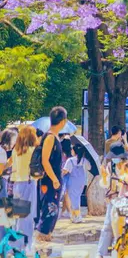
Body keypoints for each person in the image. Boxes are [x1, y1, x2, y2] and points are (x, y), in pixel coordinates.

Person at [36, 106, 67, 242]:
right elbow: (45, 160)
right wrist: (54, 179)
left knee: (53, 210)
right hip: (49, 181)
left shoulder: (54, 137)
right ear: (63, 121)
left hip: (53, 180)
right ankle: (42, 237)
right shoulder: (49, 137)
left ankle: (46, 236)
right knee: (49, 209)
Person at [9, 126, 37, 255]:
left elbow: (11, 165)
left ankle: (16, 244)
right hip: (29, 182)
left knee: (19, 216)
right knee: (29, 217)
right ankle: (27, 244)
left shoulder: (16, 150)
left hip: (17, 184)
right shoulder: (33, 150)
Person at [62, 143, 91, 224]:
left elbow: (65, 171)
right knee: (76, 198)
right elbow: (89, 167)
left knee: (73, 200)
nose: (71, 150)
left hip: (72, 182)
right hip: (81, 182)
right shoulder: (84, 160)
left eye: (72, 149)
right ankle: (76, 216)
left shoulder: (70, 160)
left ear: (75, 151)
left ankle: (76, 217)